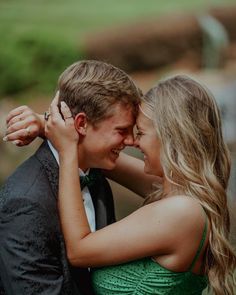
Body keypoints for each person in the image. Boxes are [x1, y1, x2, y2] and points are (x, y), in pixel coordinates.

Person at [6, 74, 236, 294]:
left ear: (170, 138)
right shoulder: (182, 194)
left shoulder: (181, 212)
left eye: (141, 133)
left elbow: (78, 250)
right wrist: (48, 126)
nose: (133, 142)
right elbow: (103, 157)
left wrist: (67, 150)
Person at [0, 60, 145, 295]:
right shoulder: (25, 202)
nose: (131, 141)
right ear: (81, 123)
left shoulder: (96, 179)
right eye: (122, 131)